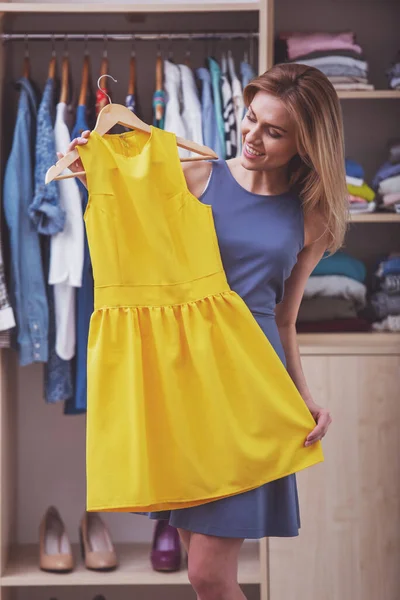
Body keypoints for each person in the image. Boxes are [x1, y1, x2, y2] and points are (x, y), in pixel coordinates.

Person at [60, 62, 346, 600]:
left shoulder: (314, 216)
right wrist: (91, 167)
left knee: (208, 575)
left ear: (306, 143)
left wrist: (303, 395)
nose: (253, 137)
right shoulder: (194, 174)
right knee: (199, 563)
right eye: (251, 119)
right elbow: (129, 230)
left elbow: (284, 317)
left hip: (250, 388)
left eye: (274, 131)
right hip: (184, 383)